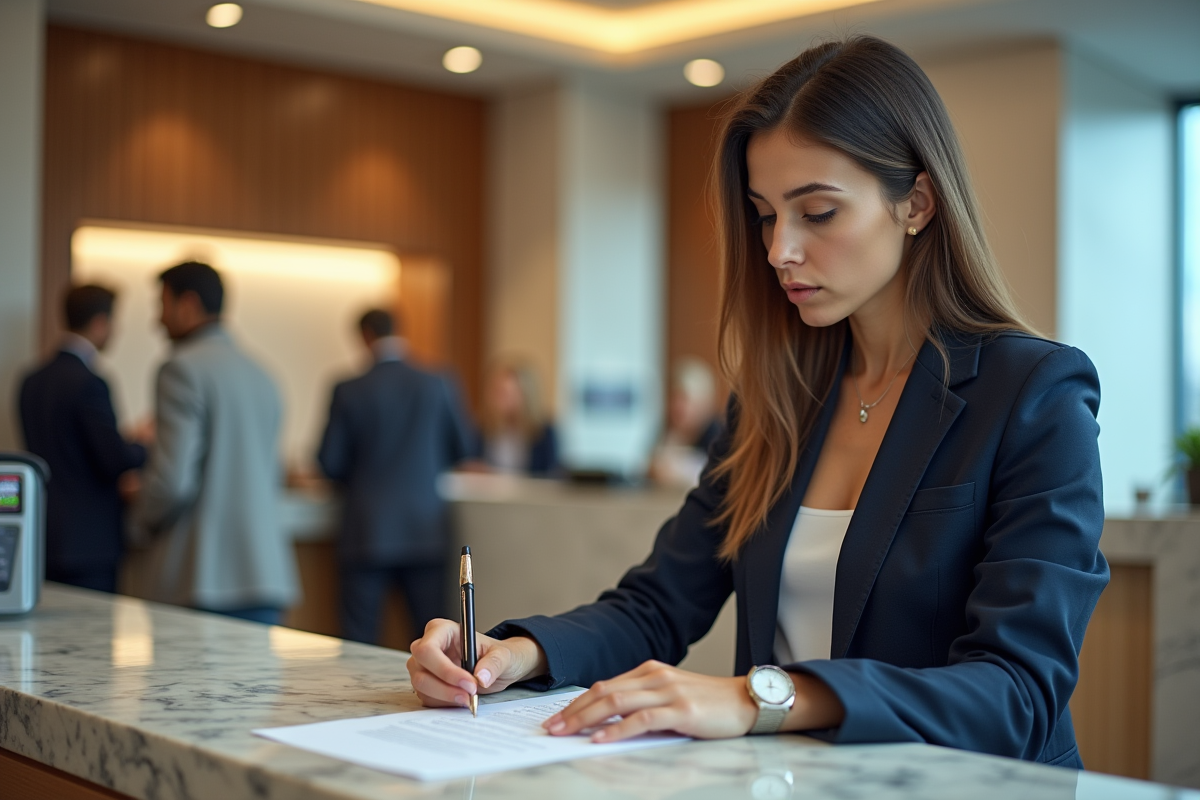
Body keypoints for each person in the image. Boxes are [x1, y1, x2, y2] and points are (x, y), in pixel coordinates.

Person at [406, 36, 1108, 769]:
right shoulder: (780, 400)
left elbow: (1018, 693)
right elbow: (659, 604)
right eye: (766, 214)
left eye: (818, 213)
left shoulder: (1033, 392)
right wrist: (512, 655)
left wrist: (759, 698)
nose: (779, 250)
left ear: (917, 203)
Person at [131, 261, 298, 624]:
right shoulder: (263, 373)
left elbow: (172, 482)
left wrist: (138, 519)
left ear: (187, 304)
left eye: (161, 306)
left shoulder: (180, 368)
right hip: (264, 575)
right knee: (255, 684)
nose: (157, 321)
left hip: (200, 576)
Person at [318, 309, 476, 644]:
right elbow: (464, 447)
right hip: (424, 529)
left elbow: (329, 463)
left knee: (358, 642)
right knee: (434, 637)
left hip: (366, 530)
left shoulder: (349, 388)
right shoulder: (438, 381)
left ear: (364, 337)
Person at [18, 285, 147, 593]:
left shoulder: (30, 380)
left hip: (42, 534)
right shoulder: (90, 382)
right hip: (89, 541)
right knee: (93, 637)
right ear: (100, 322)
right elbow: (112, 460)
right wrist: (143, 444)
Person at [648, 357, 722, 487]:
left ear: (702, 401)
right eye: (674, 398)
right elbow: (650, 466)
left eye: (684, 399)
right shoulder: (669, 432)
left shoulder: (717, 435)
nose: (677, 407)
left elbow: (716, 477)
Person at [481, 360, 559, 477]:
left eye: (504, 393)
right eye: (495, 391)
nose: (497, 399)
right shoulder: (484, 429)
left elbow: (551, 477)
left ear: (525, 394)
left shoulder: (544, 433)